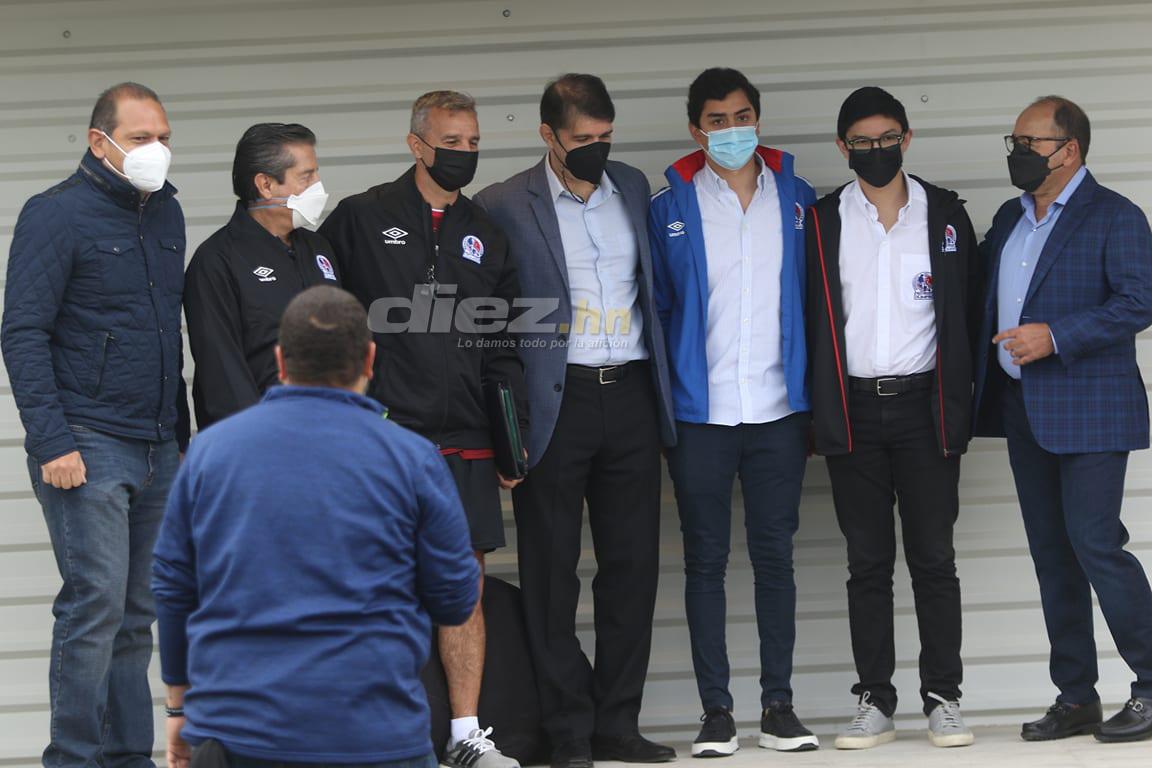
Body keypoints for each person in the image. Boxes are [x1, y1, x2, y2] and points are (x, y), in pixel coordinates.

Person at [153, 285, 481, 767]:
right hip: (378, 737)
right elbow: (454, 598)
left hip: (237, 737)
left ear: (281, 362)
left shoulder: (210, 453)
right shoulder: (413, 459)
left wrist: (178, 707)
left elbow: (173, 587)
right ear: (370, 360)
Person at [474, 74, 677, 768]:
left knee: (631, 569)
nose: (596, 149)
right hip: (553, 406)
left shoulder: (631, 184)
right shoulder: (502, 203)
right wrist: (502, 424)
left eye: (604, 136)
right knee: (551, 573)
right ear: (548, 136)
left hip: (632, 398)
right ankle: (567, 731)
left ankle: (618, 724)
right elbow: (490, 319)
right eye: (581, 139)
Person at [319, 90, 524, 768]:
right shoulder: (361, 217)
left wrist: (510, 441)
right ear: (416, 143)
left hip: (466, 439)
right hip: (384, 436)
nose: (464, 153)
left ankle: (465, 734)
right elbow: (326, 320)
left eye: (472, 142)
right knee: (378, 585)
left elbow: (504, 343)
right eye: (451, 141)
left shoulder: (486, 230)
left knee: (462, 586)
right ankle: (381, 736)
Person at [1, 82, 189, 768]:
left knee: (137, 618)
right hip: (87, 440)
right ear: (99, 142)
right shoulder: (55, 214)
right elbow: (22, 332)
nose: (156, 149)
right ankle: (73, 760)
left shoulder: (166, 214)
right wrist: (53, 441)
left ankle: (127, 759)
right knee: (94, 609)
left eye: (163, 135)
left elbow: (168, 332)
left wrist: (180, 439)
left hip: (155, 443)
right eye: (141, 138)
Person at [648, 67, 818, 755]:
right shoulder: (669, 207)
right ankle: (715, 713)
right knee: (705, 562)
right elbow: (657, 309)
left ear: (758, 119)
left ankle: (778, 707)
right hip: (701, 414)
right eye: (717, 120)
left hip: (779, 410)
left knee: (775, 558)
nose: (731, 130)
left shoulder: (799, 200)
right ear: (697, 130)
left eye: (742, 115)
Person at [972, 95, 1152, 744]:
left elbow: (1139, 300)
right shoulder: (1009, 218)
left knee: (1098, 547)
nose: (1017, 154)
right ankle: (1075, 696)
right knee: (1053, 558)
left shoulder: (1115, 216)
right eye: (1013, 141)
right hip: (1025, 412)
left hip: (1094, 410)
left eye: (1029, 143)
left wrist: (1056, 335)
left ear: (1068, 150)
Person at [806, 86, 980, 750]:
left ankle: (944, 697)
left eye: (886, 139)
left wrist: (960, 406)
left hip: (924, 409)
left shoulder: (943, 215)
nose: (875, 151)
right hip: (852, 411)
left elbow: (966, 314)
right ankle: (874, 700)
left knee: (934, 558)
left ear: (906, 139)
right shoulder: (821, 221)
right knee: (867, 562)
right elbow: (811, 320)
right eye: (861, 141)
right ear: (842, 146)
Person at [184, 122, 338, 429]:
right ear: (265, 185)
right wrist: (260, 440)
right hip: (263, 443)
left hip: (331, 434)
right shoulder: (217, 260)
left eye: (316, 172)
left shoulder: (319, 249)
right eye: (306, 176)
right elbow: (222, 372)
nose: (318, 184)